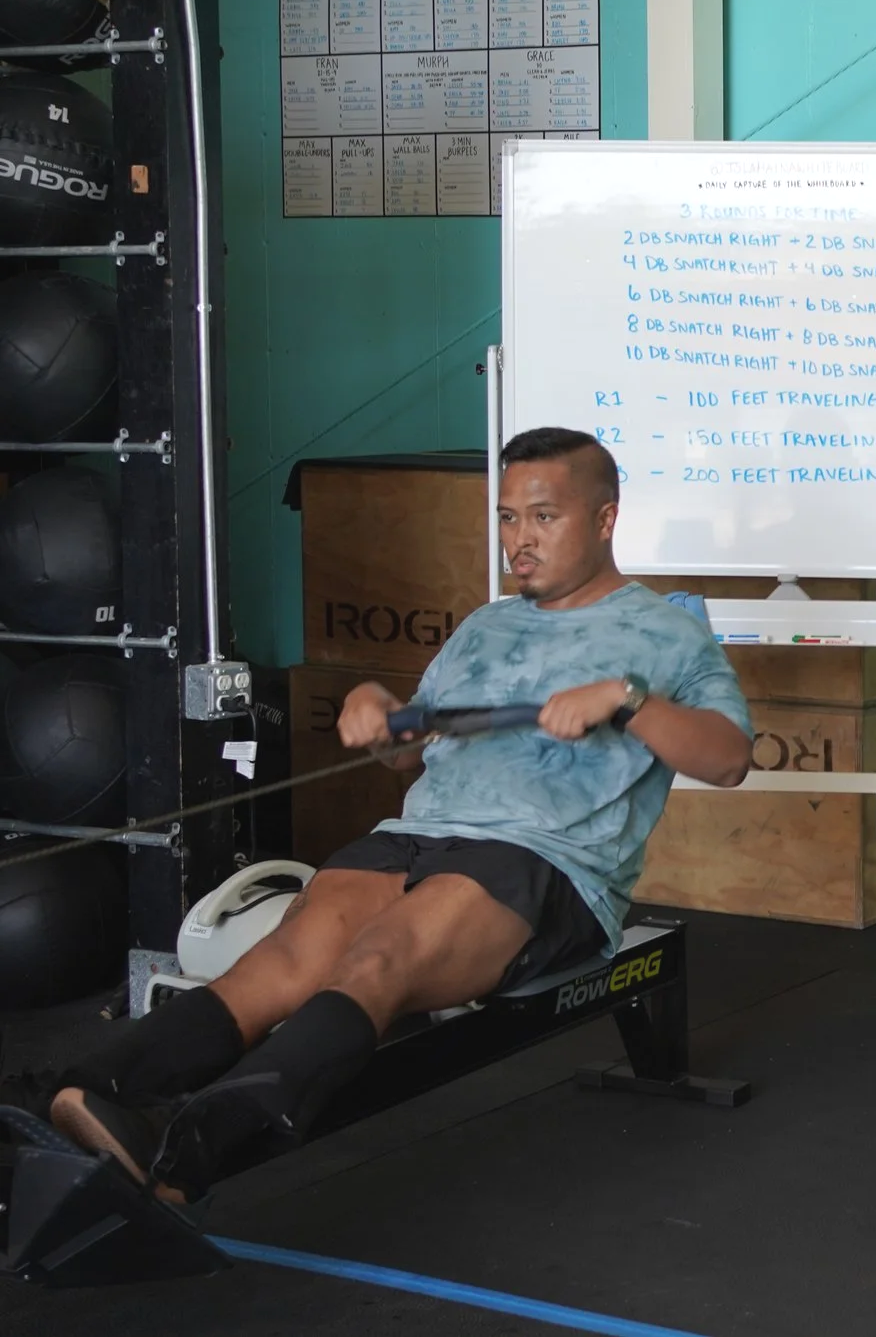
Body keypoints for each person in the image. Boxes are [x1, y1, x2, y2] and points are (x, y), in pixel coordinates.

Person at [47, 427, 754, 1204]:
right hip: (414, 837)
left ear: (605, 519)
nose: (519, 540)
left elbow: (727, 759)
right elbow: (411, 752)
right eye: (509, 518)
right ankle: (84, 1092)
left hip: (544, 862)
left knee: (375, 963)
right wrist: (378, 714)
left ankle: (186, 1154)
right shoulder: (488, 625)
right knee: (282, 964)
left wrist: (629, 700)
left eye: (543, 518)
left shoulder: (666, 633)